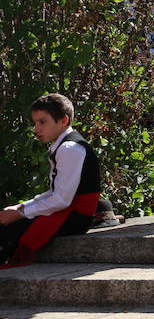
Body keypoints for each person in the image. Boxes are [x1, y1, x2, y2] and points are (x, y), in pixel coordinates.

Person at [1, 94, 100, 269]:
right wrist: (21, 207)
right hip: (68, 212)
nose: (36, 128)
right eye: (35, 123)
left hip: (74, 217)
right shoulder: (63, 146)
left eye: (42, 122)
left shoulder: (70, 148)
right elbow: (56, 193)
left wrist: (20, 213)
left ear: (64, 120)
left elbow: (61, 200)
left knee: (6, 234)